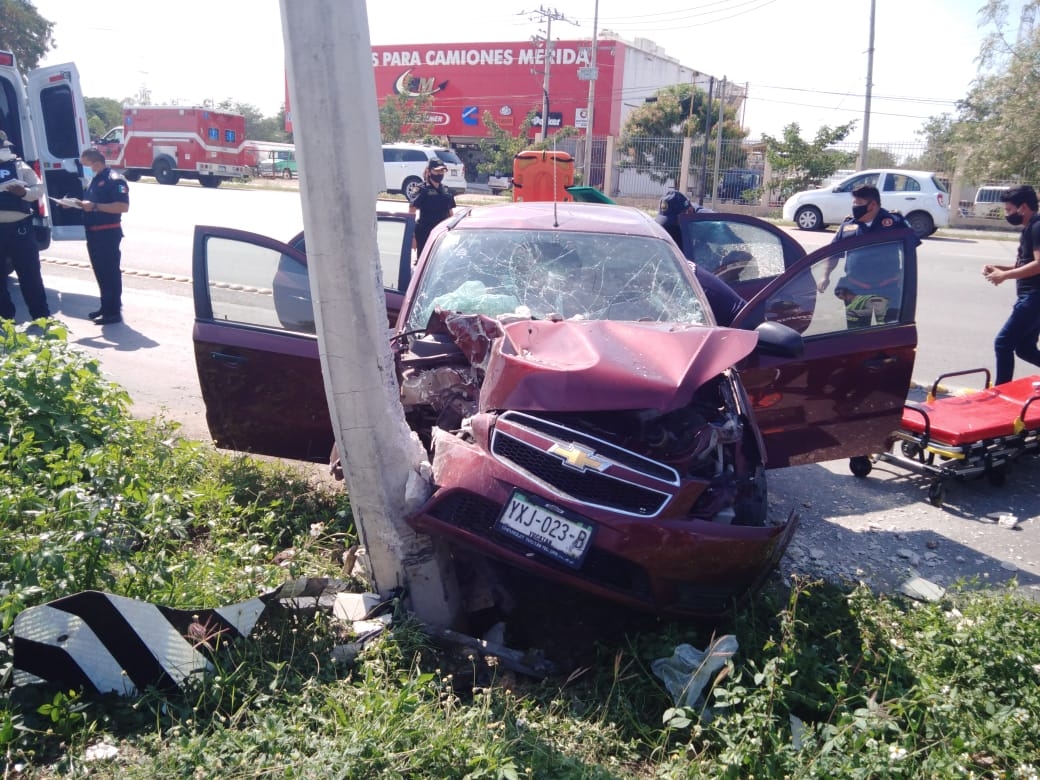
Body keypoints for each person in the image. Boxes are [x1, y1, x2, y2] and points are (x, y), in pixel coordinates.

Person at [654, 188, 746, 326]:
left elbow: (741, 251)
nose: (669, 229)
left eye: (673, 223)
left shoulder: (710, 226)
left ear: (688, 213)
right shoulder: (671, 228)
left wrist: (724, 274)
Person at [983, 185, 1040, 384]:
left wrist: (1004, 277)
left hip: (1034, 297)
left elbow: (1039, 264)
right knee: (1025, 348)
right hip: (1031, 297)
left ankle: (1001, 390)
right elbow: (1023, 264)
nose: (1007, 214)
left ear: (1023, 207)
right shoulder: (1029, 228)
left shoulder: (1037, 227)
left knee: (1003, 343)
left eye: (1009, 210)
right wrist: (999, 269)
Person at [66, 148, 130, 324]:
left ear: (96, 163)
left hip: (107, 233)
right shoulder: (95, 179)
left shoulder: (114, 180)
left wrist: (94, 206)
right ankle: (106, 307)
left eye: (86, 164)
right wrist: (75, 204)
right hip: (94, 233)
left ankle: (114, 312)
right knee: (100, 273)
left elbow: (122, 206)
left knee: (110, 273)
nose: (85, 168)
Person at [817, 183, 917, 294]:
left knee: (891, 312)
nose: (855, 206)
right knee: (856, 312)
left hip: (888, 288)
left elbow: (910, 250)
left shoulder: (895, 222)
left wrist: (906, 277)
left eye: (859, 203)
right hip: (855, 289)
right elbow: (833, 254)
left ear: (873, 205)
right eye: (854, 202)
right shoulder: (848, 226)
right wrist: (825, 276)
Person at [0, 130, 51, 321]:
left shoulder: (19, 165)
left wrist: (23, 193)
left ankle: (41, 316)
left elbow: (38, 189)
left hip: (19, 229)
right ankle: (5, 318)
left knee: (29, 275)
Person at [409, 159, 456, 257]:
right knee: (424, 262)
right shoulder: (421, 189)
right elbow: (411, 212)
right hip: (425, 233)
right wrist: (412, 236)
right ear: (429, 171)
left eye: (442, 171)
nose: (440, 174)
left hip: (442, 234)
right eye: (437, 171)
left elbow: (451, 213)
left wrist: (454, 232)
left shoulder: (446, 190)